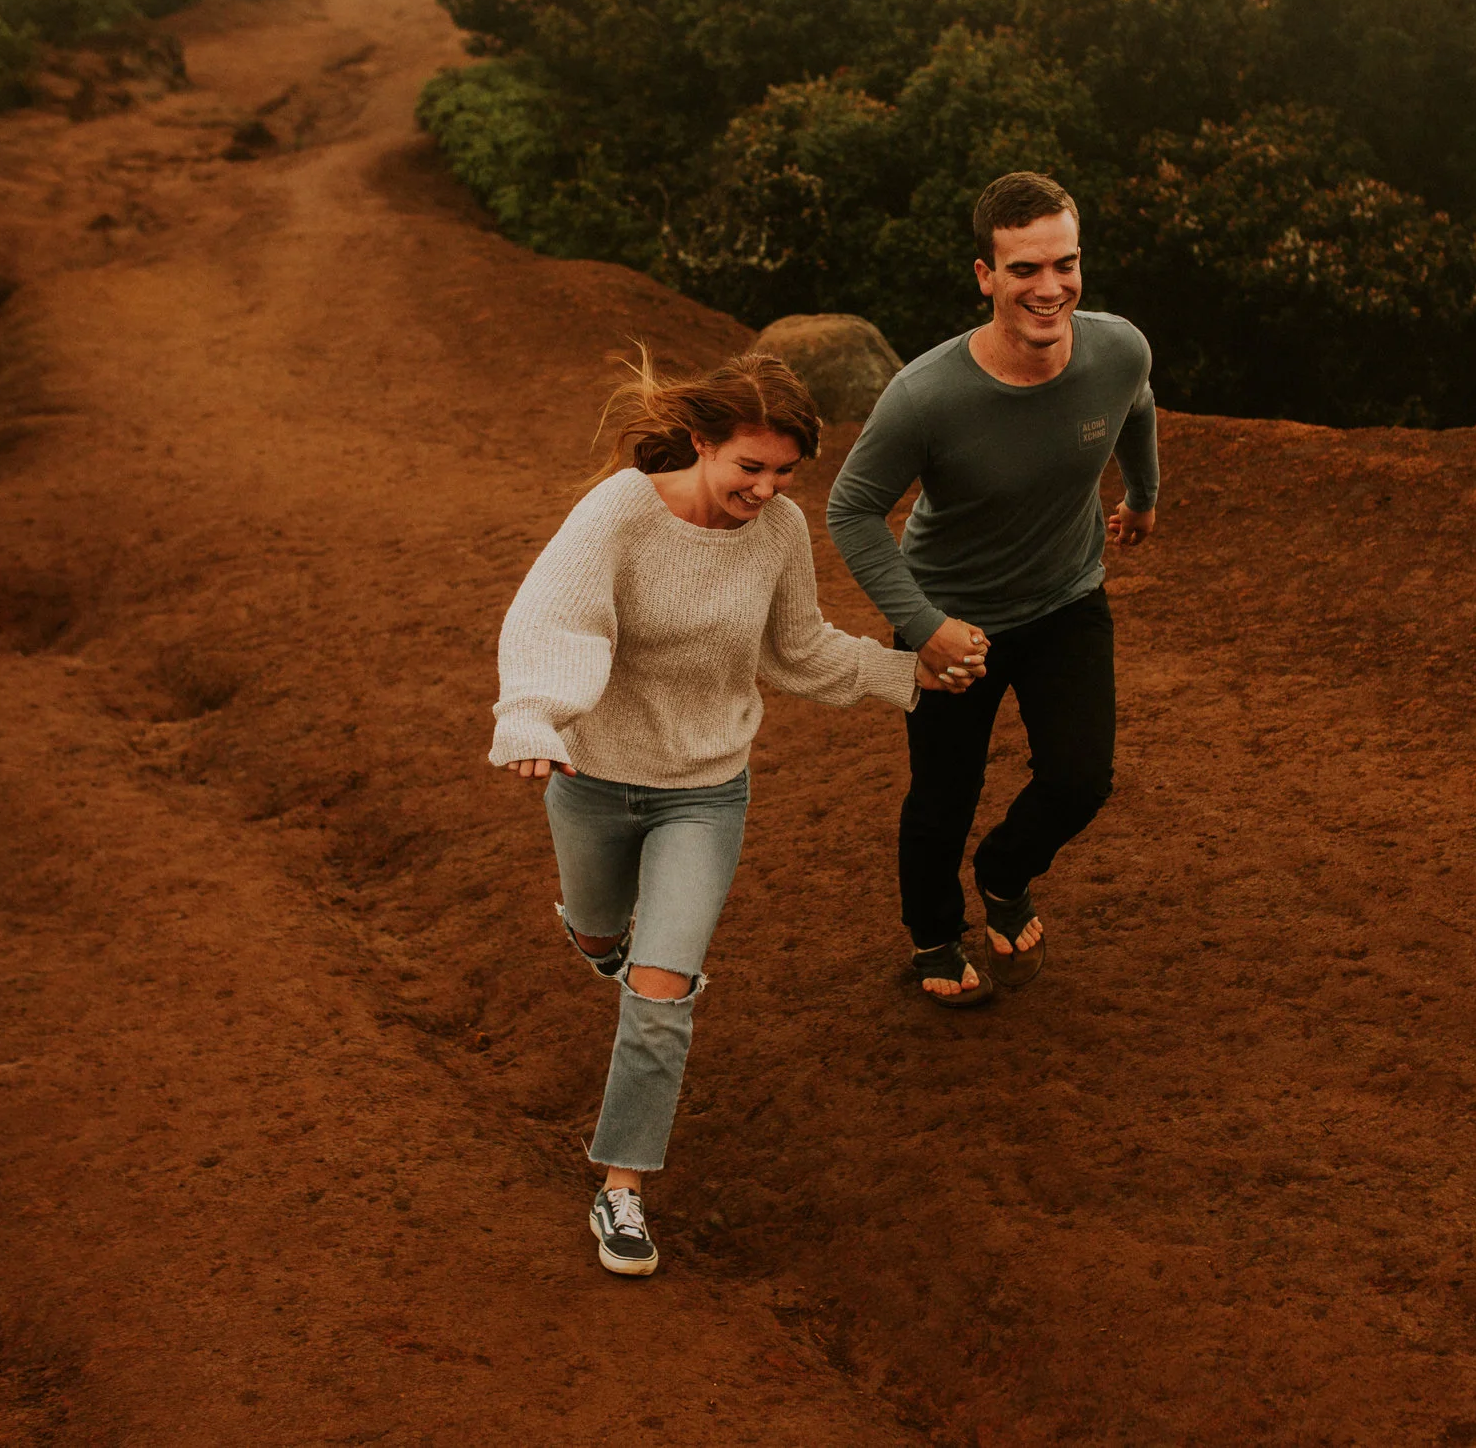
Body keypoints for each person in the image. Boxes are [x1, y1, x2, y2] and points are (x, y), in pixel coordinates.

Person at [490, 351, 980, 1277]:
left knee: (662, 988)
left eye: (785, 472)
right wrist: (533, 712)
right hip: (594, 777)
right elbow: (558, 616)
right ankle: (599, 938)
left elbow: (796, 648)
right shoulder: (620, 512)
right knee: (603, 938)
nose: (766, 488)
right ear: (703, 441)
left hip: (706, 791)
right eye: (749, 467)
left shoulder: (780, 530)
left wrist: (900, 669)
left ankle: (622, 1190)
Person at [826, 171, 1160, 1006]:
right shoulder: (926, 395)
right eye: (1024, 270)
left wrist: (1144, 495)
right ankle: (935, 936)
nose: (1051, 288)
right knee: (945, 793)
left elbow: (1140, 404)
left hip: (1067, 597)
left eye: (1066, 264)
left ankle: (1006, 870)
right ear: (986, 276)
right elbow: (852, 508)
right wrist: (922, 623)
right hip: (952, 617)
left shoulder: (1118, 346)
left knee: (1082, 779)